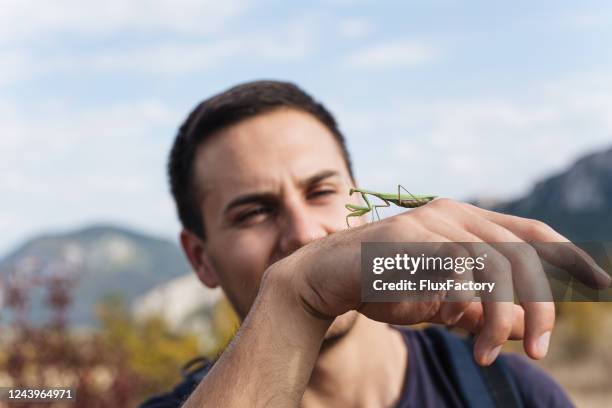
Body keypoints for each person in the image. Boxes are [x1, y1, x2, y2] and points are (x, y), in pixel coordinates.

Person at [140, 80, 609, 407]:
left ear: (360, 197)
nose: (304, 235)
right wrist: (294, 295)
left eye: (322, 191)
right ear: (200, 258)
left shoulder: (513, 393)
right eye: (253, 212)